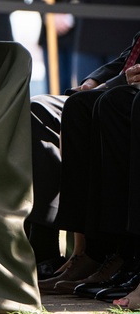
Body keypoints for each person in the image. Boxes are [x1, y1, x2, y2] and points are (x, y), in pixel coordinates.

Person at [34, 31, 140, 302]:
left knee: (111, 104)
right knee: (78, 105)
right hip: (125, 83)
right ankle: (88, 253)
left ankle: (123, 255)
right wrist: (96, 79)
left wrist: (112, 84)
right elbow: (133, 51)